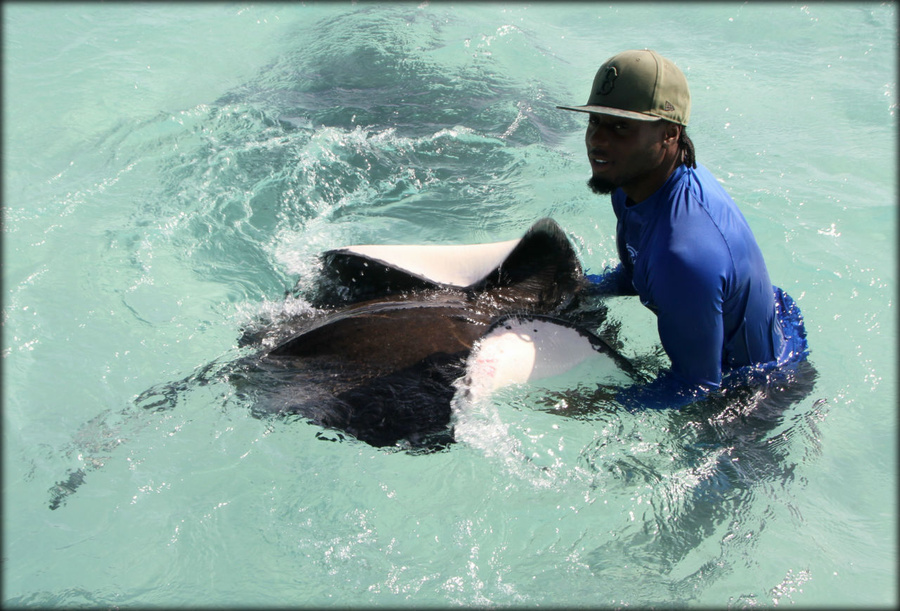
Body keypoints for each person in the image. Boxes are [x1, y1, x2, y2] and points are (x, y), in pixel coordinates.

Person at [556, 49, 809, 408]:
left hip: (756, 389)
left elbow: (697, 385)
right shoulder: (631, 184)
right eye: (595, 121)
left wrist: (586, 403)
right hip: (734, 326)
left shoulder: (683, 253)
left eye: (621, 127)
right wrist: (584, 289)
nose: (598, 139)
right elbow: (638, 269)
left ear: (670, 134)